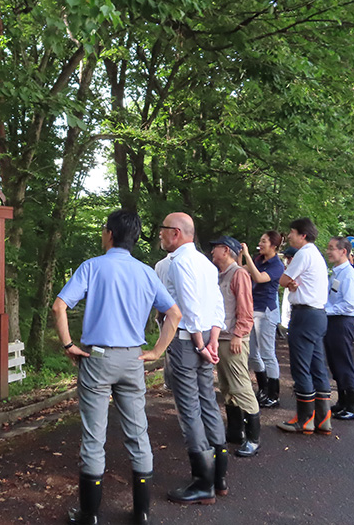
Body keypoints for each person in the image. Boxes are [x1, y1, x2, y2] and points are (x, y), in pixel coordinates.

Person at [53, 210, 182, 525]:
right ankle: (141, 513)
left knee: (94, 436)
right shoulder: (146, 272)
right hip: (133, 358)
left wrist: (70, 345)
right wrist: (156, 351)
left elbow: (59, 305)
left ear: (109, 233)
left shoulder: (92, 267)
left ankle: (89, 515)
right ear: (134, 238)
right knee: (138, 433)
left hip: (97, 358)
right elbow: (174, 314)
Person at [156, 212, 228, 505]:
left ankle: (202, 483)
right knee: (208, 402)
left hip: (188, 342)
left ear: (175, 233)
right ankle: (219, 476)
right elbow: (216, 305)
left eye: (162, 230)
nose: (159, 235)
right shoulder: (205, 263)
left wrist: (200, 344)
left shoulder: (179, 263)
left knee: (189, 409)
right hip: (203, 340)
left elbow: (188, 307)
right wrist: (212, 339)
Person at [277, 218, 332, 435]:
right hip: (318, 314)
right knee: (317, 366)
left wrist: (289, 282)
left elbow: (283, 279)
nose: (289, 236)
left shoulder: (303, 254)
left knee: (301, 367)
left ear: (303, 235)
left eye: (292, 232)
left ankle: (304, 419)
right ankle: (323, 419)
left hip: (304, 315)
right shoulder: (316, 255)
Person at [209, 236, 260, 457]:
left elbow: (245, 308)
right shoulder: (219, 274)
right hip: (222, 337)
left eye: (215, 248)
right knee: (227, 387)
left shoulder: (239, 274)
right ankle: (234, 431)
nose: (212, 252)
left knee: (241, 387)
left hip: (233, 339)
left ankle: (253, 438)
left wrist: (239, 334)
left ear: (226, 250)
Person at [241, 231, 285, 408]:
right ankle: (263, 388)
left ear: (273, 246)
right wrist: (240, 256)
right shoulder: (258, 260)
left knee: (267, 354)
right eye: (260, 240)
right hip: (252, 309)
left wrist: (246, 256)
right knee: (252, 353)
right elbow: (241, 271)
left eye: (264, 241)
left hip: (266, 311)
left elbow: (259, 278)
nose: (260, 243)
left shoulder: (277, 265)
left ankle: (274, 394)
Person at [324, 237, 354, 421]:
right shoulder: (336, 273)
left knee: (344, 363)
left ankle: (353, 406)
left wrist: (324, 311)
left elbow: (349, 305)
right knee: (335, 363)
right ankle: (342, 401)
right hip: (332, 322)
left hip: (341, 322)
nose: (328, 251)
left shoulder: (349, 275)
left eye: (332, 248)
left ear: (343, 251)